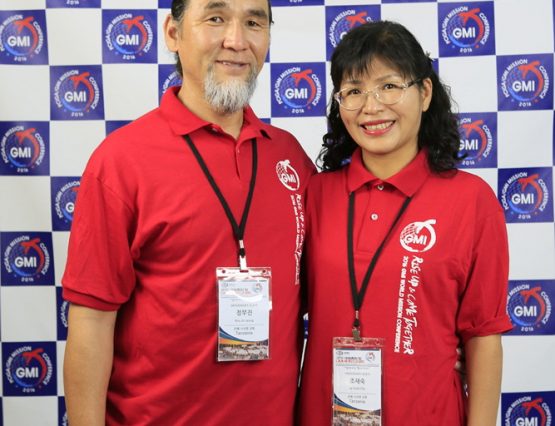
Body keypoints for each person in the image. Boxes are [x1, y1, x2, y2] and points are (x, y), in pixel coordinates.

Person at [62, 1, 314, 424]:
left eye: (254, 22)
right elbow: (92, 320)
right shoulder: (122, 161)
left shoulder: (290, 157)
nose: (236, 40)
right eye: (215, 19)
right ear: (173, 33)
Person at [298, 21, 512, 425]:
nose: (371, 106)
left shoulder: (471, 200)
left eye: (389, 86)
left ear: (425, 92)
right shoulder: (315, 195)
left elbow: (483, 335)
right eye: (354, 91)